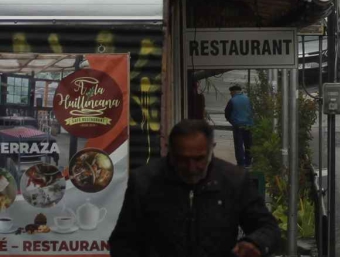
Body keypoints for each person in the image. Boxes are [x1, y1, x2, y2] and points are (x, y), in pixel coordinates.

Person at [109, 118, 280, 257]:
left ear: (211, 150)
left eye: (199, 159)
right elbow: (123, 241)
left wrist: (256, 243)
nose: (191, 168)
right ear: (170, 151)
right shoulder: (144, 182)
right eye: (183, 159)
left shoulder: (234, 180)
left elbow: (267, 227)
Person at [224, 84, 253, 167]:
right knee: (248, 144)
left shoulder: (232, 101)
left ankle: (241, 163)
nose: (231, 94)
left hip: (238, 125)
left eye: (231, 93)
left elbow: (227, 113)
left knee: (239, 145)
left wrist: (232, 121)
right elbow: (252, 110)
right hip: (248, 125)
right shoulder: (247, 99)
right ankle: (248, 162)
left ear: (234, 92)